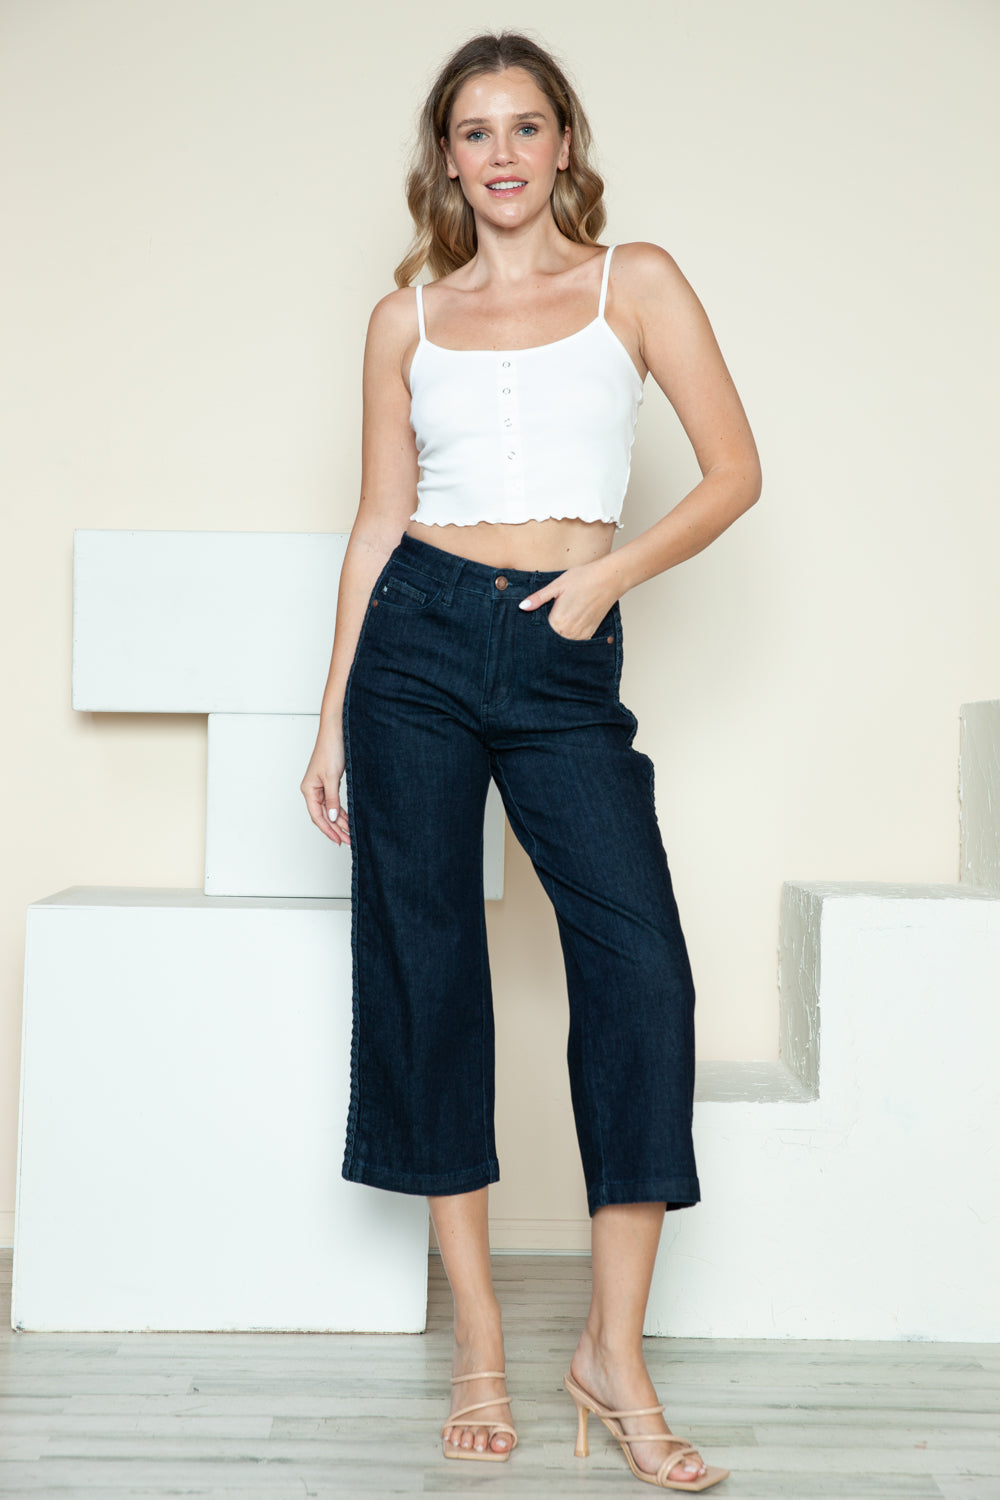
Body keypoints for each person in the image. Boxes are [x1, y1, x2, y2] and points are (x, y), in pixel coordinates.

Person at [301, 30, 759, 1493]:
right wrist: (328, 722)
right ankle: (485, 1345)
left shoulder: (639, 281)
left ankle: (611, 1352)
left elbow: (737, 469)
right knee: (432, 974)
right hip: (418, 646)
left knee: (639, 962)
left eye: (525, 127)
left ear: (566, 142)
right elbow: (376, 526)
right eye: (473, 133)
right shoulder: (405, 319)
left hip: (564, 644)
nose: (499, 155)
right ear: (446, 159)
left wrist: (611, 576)